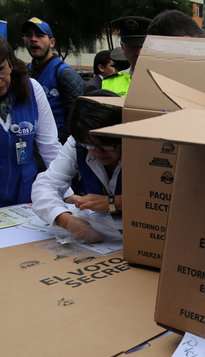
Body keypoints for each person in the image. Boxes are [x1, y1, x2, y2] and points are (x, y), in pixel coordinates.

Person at [31, 91, 123, 242]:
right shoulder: (78, 143)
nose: (98, 153)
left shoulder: (141, 147)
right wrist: (65, 220)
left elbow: (159, 199)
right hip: (104, 231)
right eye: (90, 146)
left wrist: (114, 202)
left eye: (106, 146)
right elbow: (46, 185)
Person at [0, 36, 61, 206]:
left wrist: (66, 192)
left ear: (10, 65)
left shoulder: (31, 89)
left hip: (25, 199)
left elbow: (50, 146)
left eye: (1, 70)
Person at [22, 17, 85, 144]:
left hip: (56, 148)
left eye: (39, 35)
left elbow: (77, 116)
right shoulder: (24, 73)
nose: (33, 39)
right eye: (28, 35)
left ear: (52, 42)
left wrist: (61, 145)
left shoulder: (64, 73)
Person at [101, 16, 151, 97]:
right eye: (132, 47)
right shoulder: (110, 82)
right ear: (122, 47)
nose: (138, 52)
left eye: (142, 46)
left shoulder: (163, 81)